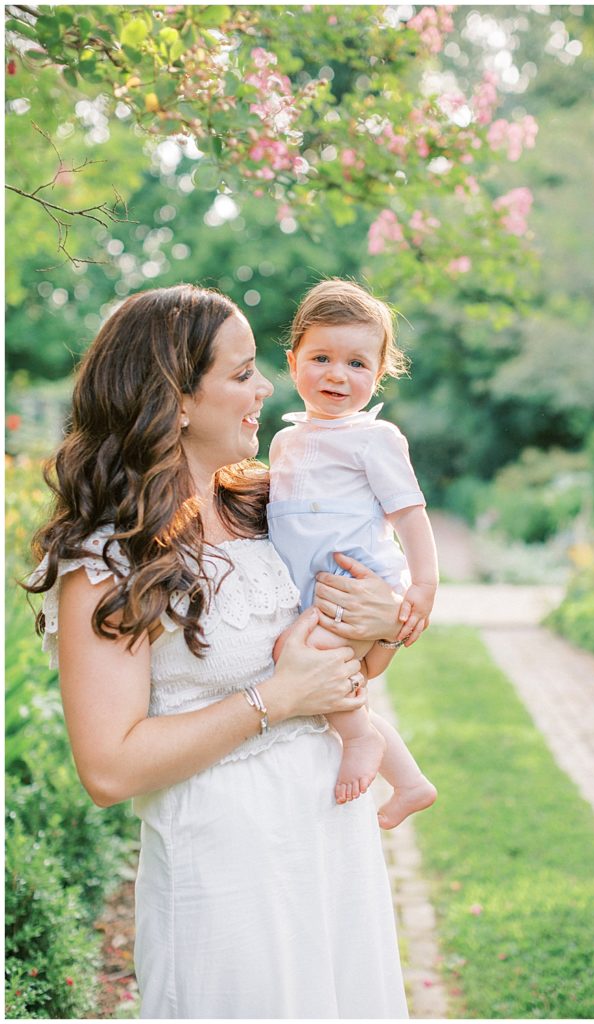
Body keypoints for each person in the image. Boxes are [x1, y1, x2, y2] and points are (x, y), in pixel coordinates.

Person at [25, 284, 410, 1019]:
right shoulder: (111, 558)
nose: (267, 387)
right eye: (240, 374)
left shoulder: (272, 506)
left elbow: (348, 673)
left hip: (330, 840)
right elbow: (107, 768)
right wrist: (275, 700)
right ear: (174, 400)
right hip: (228, 866)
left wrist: (381, 625)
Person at [268, 278, 438, 829]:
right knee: (329, 678)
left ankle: (362, 739)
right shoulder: (283, 441)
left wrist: (423, 585)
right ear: (293, 362)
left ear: (381, 370)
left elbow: (411, 514)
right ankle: (409, 783)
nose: (338, 375)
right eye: (321, 358)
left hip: (354, 583)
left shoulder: (376, 438)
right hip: (312, 593)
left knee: (317, 664)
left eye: (357, 364)